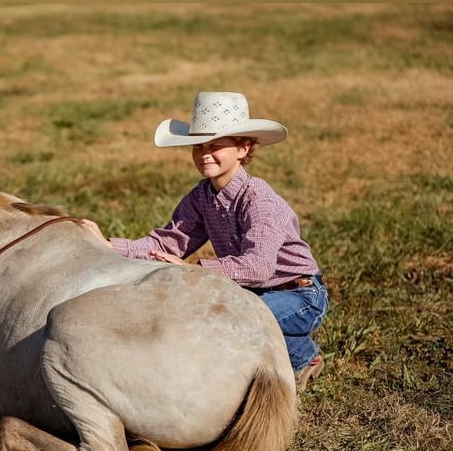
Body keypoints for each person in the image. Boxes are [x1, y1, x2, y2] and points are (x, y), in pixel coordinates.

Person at [82, 91, 329, 392]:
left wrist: (195, 269)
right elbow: (169, 243)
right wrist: (109, 247)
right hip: (251, 293)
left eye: (215, 146)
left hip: (300, 294)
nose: (204, 154)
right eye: (198, 145)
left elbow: (259, 267)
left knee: (236, 322)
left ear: (243, 148)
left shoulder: (258, 199)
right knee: (217, 317)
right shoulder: (202, 197)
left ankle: (304, 357)